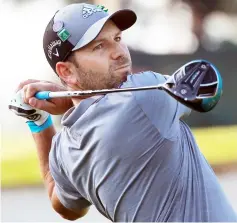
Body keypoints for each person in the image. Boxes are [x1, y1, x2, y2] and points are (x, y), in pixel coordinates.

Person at [10, 3, 237, 222]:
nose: (119, 53)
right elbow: (202, 86)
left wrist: (37, 121)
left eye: (117, 39)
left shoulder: (63, 153)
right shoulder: (145, 96)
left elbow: (63, 205)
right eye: (99, 46)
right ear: (67, 72)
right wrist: (67, 98)